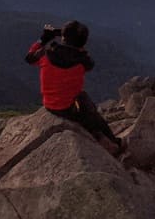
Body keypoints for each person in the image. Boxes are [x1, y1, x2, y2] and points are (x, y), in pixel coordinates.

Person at [25, 20, 123, 154]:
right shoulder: (83, 61)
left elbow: (29, 59)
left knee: (83, 101)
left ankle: (95, 132)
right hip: (69, 108)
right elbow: (89, 64)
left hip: (49, 104)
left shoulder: (46, 54)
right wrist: (78, 47)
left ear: (63, 37)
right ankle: (112, 141)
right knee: (86, 103)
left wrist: (43, 39)